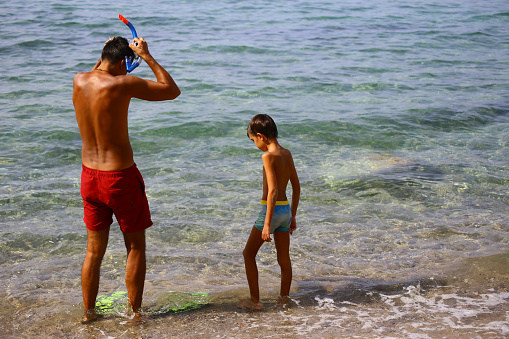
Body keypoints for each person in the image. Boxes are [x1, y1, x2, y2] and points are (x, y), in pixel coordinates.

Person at [72, 36, 180, 323]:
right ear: (123, 63)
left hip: (89, 178)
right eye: (126, 64)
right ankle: (135, 315)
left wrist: (108, 53)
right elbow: (172, 90)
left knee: (93, 251)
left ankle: (88, 314)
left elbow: (98, 71)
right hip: (118, 178)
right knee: (135, 246)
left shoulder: (79, 80)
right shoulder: (122, 85)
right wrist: (146, 55)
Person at [238, 114, 300, 310]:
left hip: (271, 212)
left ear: (261, 136)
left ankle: (255, 301)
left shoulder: (267, 156)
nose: (255, 144)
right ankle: (284, 299)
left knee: (248, 254)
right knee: (284, 258)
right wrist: (293, 215)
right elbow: (297, 187)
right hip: (285, 212)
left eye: (253, 140)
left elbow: (272, 191)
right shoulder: (287, 154)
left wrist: (266, 224)